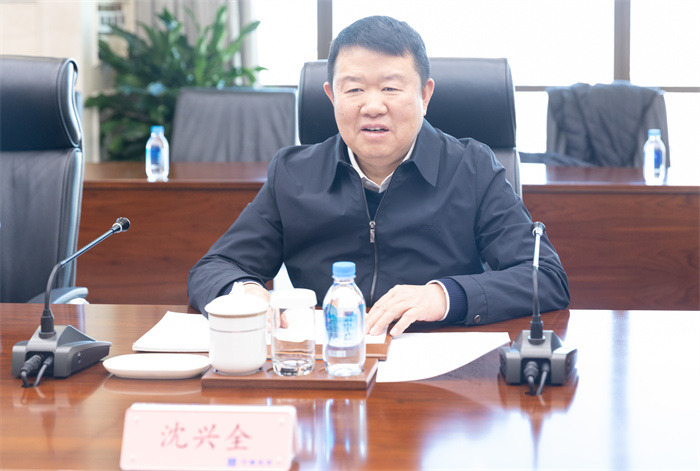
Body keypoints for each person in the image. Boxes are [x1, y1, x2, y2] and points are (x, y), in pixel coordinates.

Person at [188, 15, 569, 336]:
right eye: (354, 89)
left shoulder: (471, 167)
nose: (372, 106)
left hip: (440, 368)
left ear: (425, 95)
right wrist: (245, 292)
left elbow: (546, 277)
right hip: (328, 364)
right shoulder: (294, 174)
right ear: (331, 96)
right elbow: (214, 268)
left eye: (390, 87)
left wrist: (443, 296)